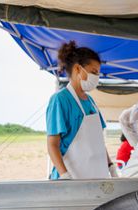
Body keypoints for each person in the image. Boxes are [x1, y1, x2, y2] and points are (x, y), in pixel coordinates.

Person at [46, 41, 117, 179]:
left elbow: (98, 141)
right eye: (93, 72)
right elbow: (52, 145)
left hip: (96, 176)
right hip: (72, 178)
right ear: (78, 69)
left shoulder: (90, 101)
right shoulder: (60, 100)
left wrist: (110, 165)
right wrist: (64, 175)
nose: (97, 77)